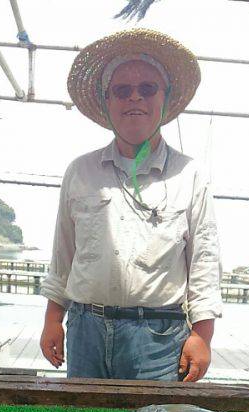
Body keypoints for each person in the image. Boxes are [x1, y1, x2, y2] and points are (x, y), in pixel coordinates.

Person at [40, 29, 222, 382]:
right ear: (108, 102)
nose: (134, 98)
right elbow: (62, 256)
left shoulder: (191, 175)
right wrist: (52, 320)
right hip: (84, 329)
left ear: (165, 99)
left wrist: (202, 336)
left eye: (147, 88)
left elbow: (204, 262)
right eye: (121, 90)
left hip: (157, 336)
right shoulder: (80, 171)